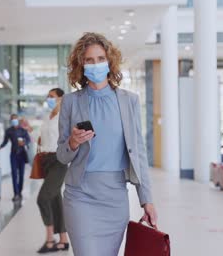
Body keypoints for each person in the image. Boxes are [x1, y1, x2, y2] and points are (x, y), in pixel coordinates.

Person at [56, 32, 157, 256]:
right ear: (81, 65)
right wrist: (72, 142)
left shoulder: (129, 101)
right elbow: (62, 156)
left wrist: (146, 200)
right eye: (89, 60)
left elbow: (138, 153)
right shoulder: (71, 102)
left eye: (100, 58)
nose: (96, 64)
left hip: (114, 197)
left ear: (110, 62)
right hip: (80, 196)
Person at [36, 88, 69, 253]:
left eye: (52, 96)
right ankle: (63, 239)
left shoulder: (64, 117)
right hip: (46, 160)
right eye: (47, 96)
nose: (48, 99)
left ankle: (50, 239)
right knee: (55, 200)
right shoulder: (47, 117)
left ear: (61, 99)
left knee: (43, 198)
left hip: (59, 160)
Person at [0, 114, 31, 201]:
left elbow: (28, 140)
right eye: (12, 120)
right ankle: (15, 194)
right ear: (11, 121)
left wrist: (24, 143)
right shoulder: (9, 131)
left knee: (21, 175)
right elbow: (5, 141)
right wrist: (1, 146)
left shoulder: (23, 130)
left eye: (15, 119)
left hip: (22, 154)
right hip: (13, 154)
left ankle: (20, 192)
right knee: (14, 174)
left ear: (17, 120)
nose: (14, 121)